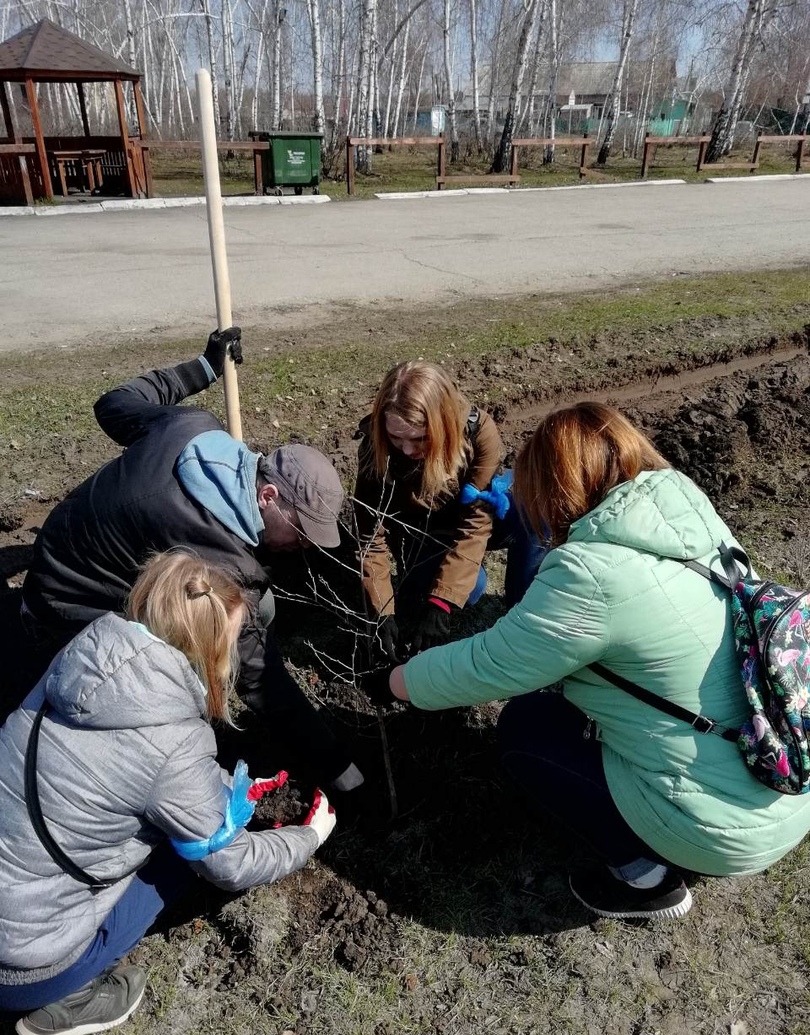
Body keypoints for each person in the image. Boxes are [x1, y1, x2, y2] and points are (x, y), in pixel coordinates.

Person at [372, 402, 810, 920]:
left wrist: (397, 682)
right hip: (783, 782)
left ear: (555, 486)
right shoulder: (681, 506)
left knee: (526, 731)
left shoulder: (593, 575)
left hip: (722, 827)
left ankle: (644, 878)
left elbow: (487, 664)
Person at [0, 551, 337, 1035]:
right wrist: (308, 836)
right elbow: (231, 864)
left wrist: (222, 787)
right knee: (183, 859)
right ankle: (68, 1001)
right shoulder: (175, 742)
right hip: (23, 966)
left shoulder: (80, 660)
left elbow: (128, 769)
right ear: (207, 644)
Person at [21, 328, 361, 794]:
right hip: (67, 610)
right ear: (267, 495)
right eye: (302, 532)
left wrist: (204, 367)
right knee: (175, 688)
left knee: (259, 610)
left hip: (64, 545)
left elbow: (116, 402)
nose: (304, 545)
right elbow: (263, 681)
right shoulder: (218, 562)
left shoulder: (193, 429)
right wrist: (341, 772)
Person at [353, 360, 545, 661]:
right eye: (396, 438)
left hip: (472, 516)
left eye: (419, 439)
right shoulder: (374, 448)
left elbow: (476, 524)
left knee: (535, 508)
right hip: (427, 531)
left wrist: (441, 604)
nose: (406, 449)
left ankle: (522, 619)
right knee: (473, 587)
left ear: (444, 424)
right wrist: (381, 613)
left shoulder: (478, 433)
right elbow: (370, 538)